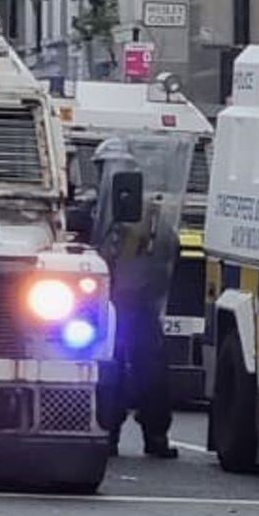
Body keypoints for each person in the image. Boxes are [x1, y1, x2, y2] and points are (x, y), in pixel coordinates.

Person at [89, 136, 179, 459]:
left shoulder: (149, 216)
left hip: (135, 302)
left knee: (147, 371)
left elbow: (167, 251)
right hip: (107, 303)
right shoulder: (94, 211)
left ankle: (154, 435)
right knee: (110, 368)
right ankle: (110, 432)